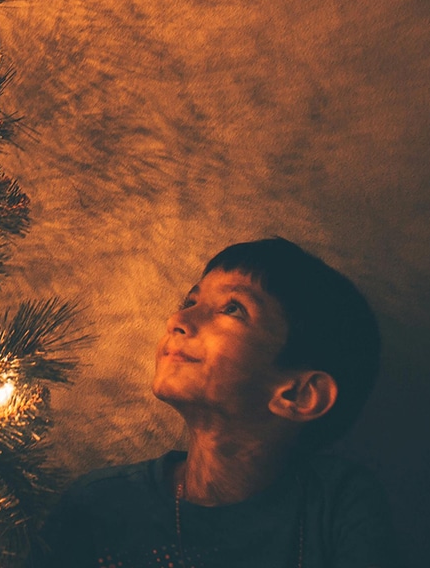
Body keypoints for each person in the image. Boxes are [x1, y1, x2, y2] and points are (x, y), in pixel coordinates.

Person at [36, 238, 397, 567]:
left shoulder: (337, 509)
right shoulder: (98, 505)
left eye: (233, 309)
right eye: (189, 302)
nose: (177, 319)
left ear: (298, 394)